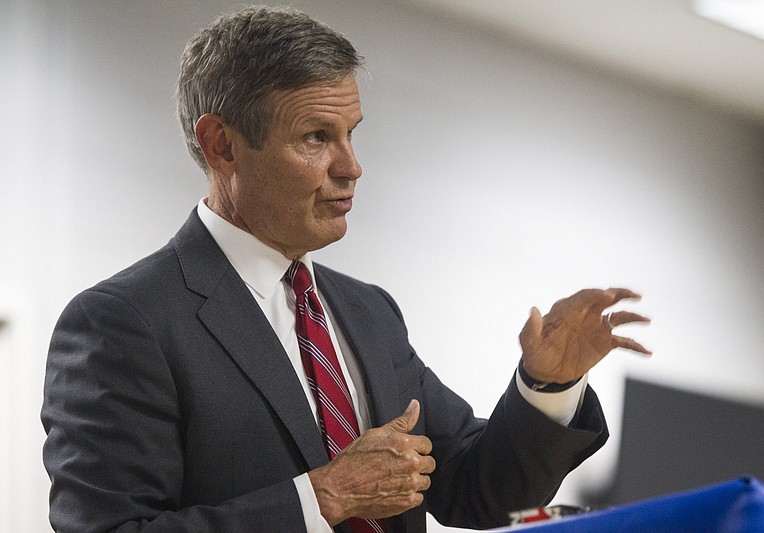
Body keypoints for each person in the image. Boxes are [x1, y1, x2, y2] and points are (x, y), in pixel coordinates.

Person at [41, 6, 650, 533]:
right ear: (222, 145)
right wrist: (323, 497)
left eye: (351, 135)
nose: (352, 167)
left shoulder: (368, 312)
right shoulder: (124, 321)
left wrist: (547, 387)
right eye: (316, 137)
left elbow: (474, 487)